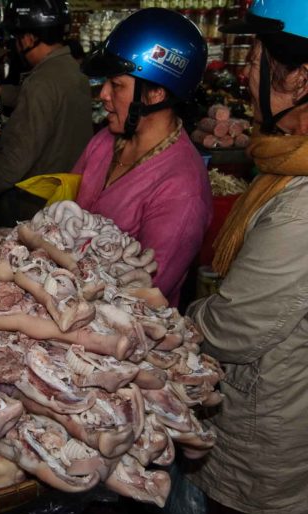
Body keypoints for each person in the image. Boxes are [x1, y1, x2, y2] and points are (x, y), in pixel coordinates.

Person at [185, 1, 308, 514]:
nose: (244, 71)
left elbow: (233, 329)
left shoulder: (301, 208)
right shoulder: (285, 162)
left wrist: (174, 321)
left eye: (256, 58)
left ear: (301, 79)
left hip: (269, 445)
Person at [74, 8, 212, 307]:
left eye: (117, 85)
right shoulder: (104, 142)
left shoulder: (182, 190)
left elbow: (143, 297)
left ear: (156, 94)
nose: (103, 95)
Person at [0, 0, 92, 226]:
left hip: (36, 206)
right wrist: (2, 92)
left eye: (18, 40)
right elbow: (51, 102)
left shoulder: (40, 82)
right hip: (69, 195)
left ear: (28, 39)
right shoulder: (72, 71)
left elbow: (14, 161)